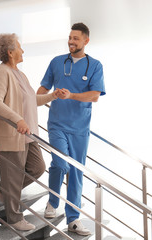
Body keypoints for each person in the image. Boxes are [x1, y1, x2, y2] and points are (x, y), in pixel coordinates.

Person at [37, 23, 106, 235]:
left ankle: (73, 219)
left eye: (76, 38)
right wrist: (34, 99)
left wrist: (71, 95)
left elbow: (94, 95)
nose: (71, 41)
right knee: (60, 163)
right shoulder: (57, 62)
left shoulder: (94, 65)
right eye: (70, 37)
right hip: (57, 123)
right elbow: (40, 91)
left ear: (86, 41)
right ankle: (52, 201)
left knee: (76, 172)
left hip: (80, 128)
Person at [0, 33, 59, 231]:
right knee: (12, 178)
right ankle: (14, 219)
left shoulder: (21, 74)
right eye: (20, 47)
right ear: (11, 52)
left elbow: (32, 100)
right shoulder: (1, 72)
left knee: (37, 168)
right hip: (13, 134)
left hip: (29, 135)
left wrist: (53, 95)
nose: (23, 50)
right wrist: (17, 119)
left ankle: (1, 190)